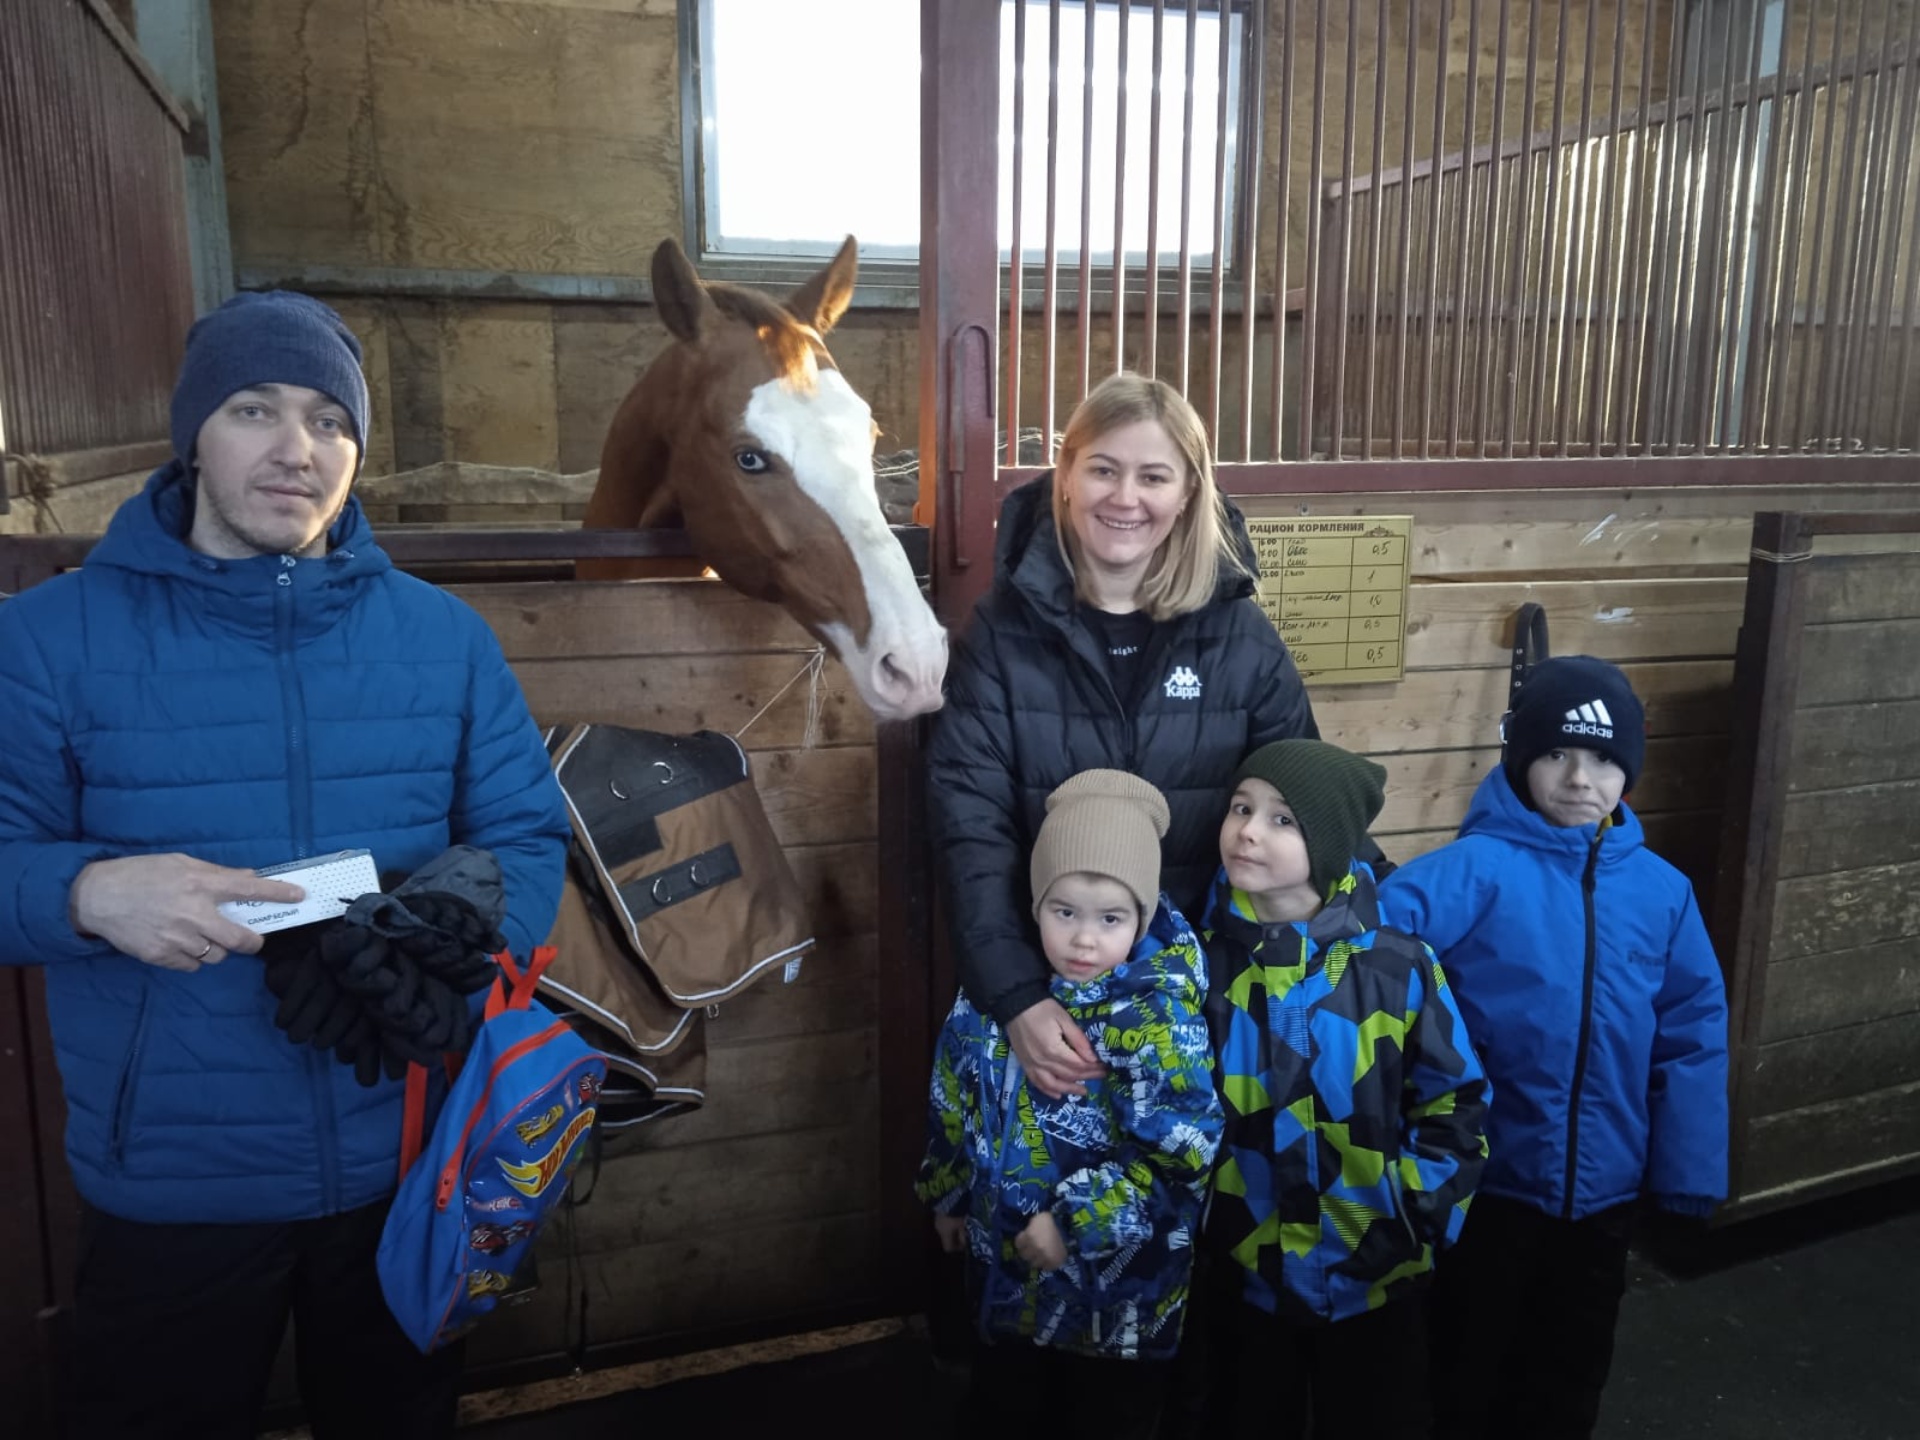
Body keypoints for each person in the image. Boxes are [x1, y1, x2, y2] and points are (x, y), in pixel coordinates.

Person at [0, 291, 571, 1439]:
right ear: (194, 433)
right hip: (175, 1176)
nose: (295, 449)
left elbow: (526, 833)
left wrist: (457, 927)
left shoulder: (442, 639)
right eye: (255, 409)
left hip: (407, 1155)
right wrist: (87, 894)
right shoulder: (47, 639)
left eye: (328, 420)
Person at [927, 372, 1319, 1103]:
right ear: (1067, 476)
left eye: (1153, 476)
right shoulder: (1000, 635)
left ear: (1189, 492)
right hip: (1054, 995)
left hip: (1208, 1004)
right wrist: (1015, 996)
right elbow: (970, 828)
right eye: (1104, 469)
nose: (1125, 497)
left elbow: (1305, 805)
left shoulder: (1242, 637)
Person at [1376, 656, 1730, 1440]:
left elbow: (1692, 1032)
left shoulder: (1664, 892)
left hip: (1604, 1195)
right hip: (1483, 1189)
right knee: (1462, 1368)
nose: (1581, 778)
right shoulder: (1462, 876)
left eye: (1605, 758)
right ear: (1520, 759)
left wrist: (1689, 1171)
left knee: (1570, 1371)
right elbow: (1368, 992)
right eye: (1558, 753)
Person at [916, 770, 1222, 1436]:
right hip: (1006, 1281)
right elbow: (952, 1092)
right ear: (1035, 906)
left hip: (1118, 1306)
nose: (1085, 938)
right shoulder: (993, 999)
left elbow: (1182, 1155)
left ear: (1141, 917)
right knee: (1009, 1411)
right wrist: (948, 1193)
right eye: (1065, 912)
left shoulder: (1158, 1020)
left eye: (1110, 918)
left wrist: (1076, 1223)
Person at [1197, 739, 1487, 1439]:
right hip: (1245, 1275)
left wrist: (1415, 1214)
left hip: (1376, 1275)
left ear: (1328, 844)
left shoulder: (1397, 967)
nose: (1248, 829)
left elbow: (1455, 1100)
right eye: (1241, 807)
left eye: (1282, 819)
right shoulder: (1200, 970)